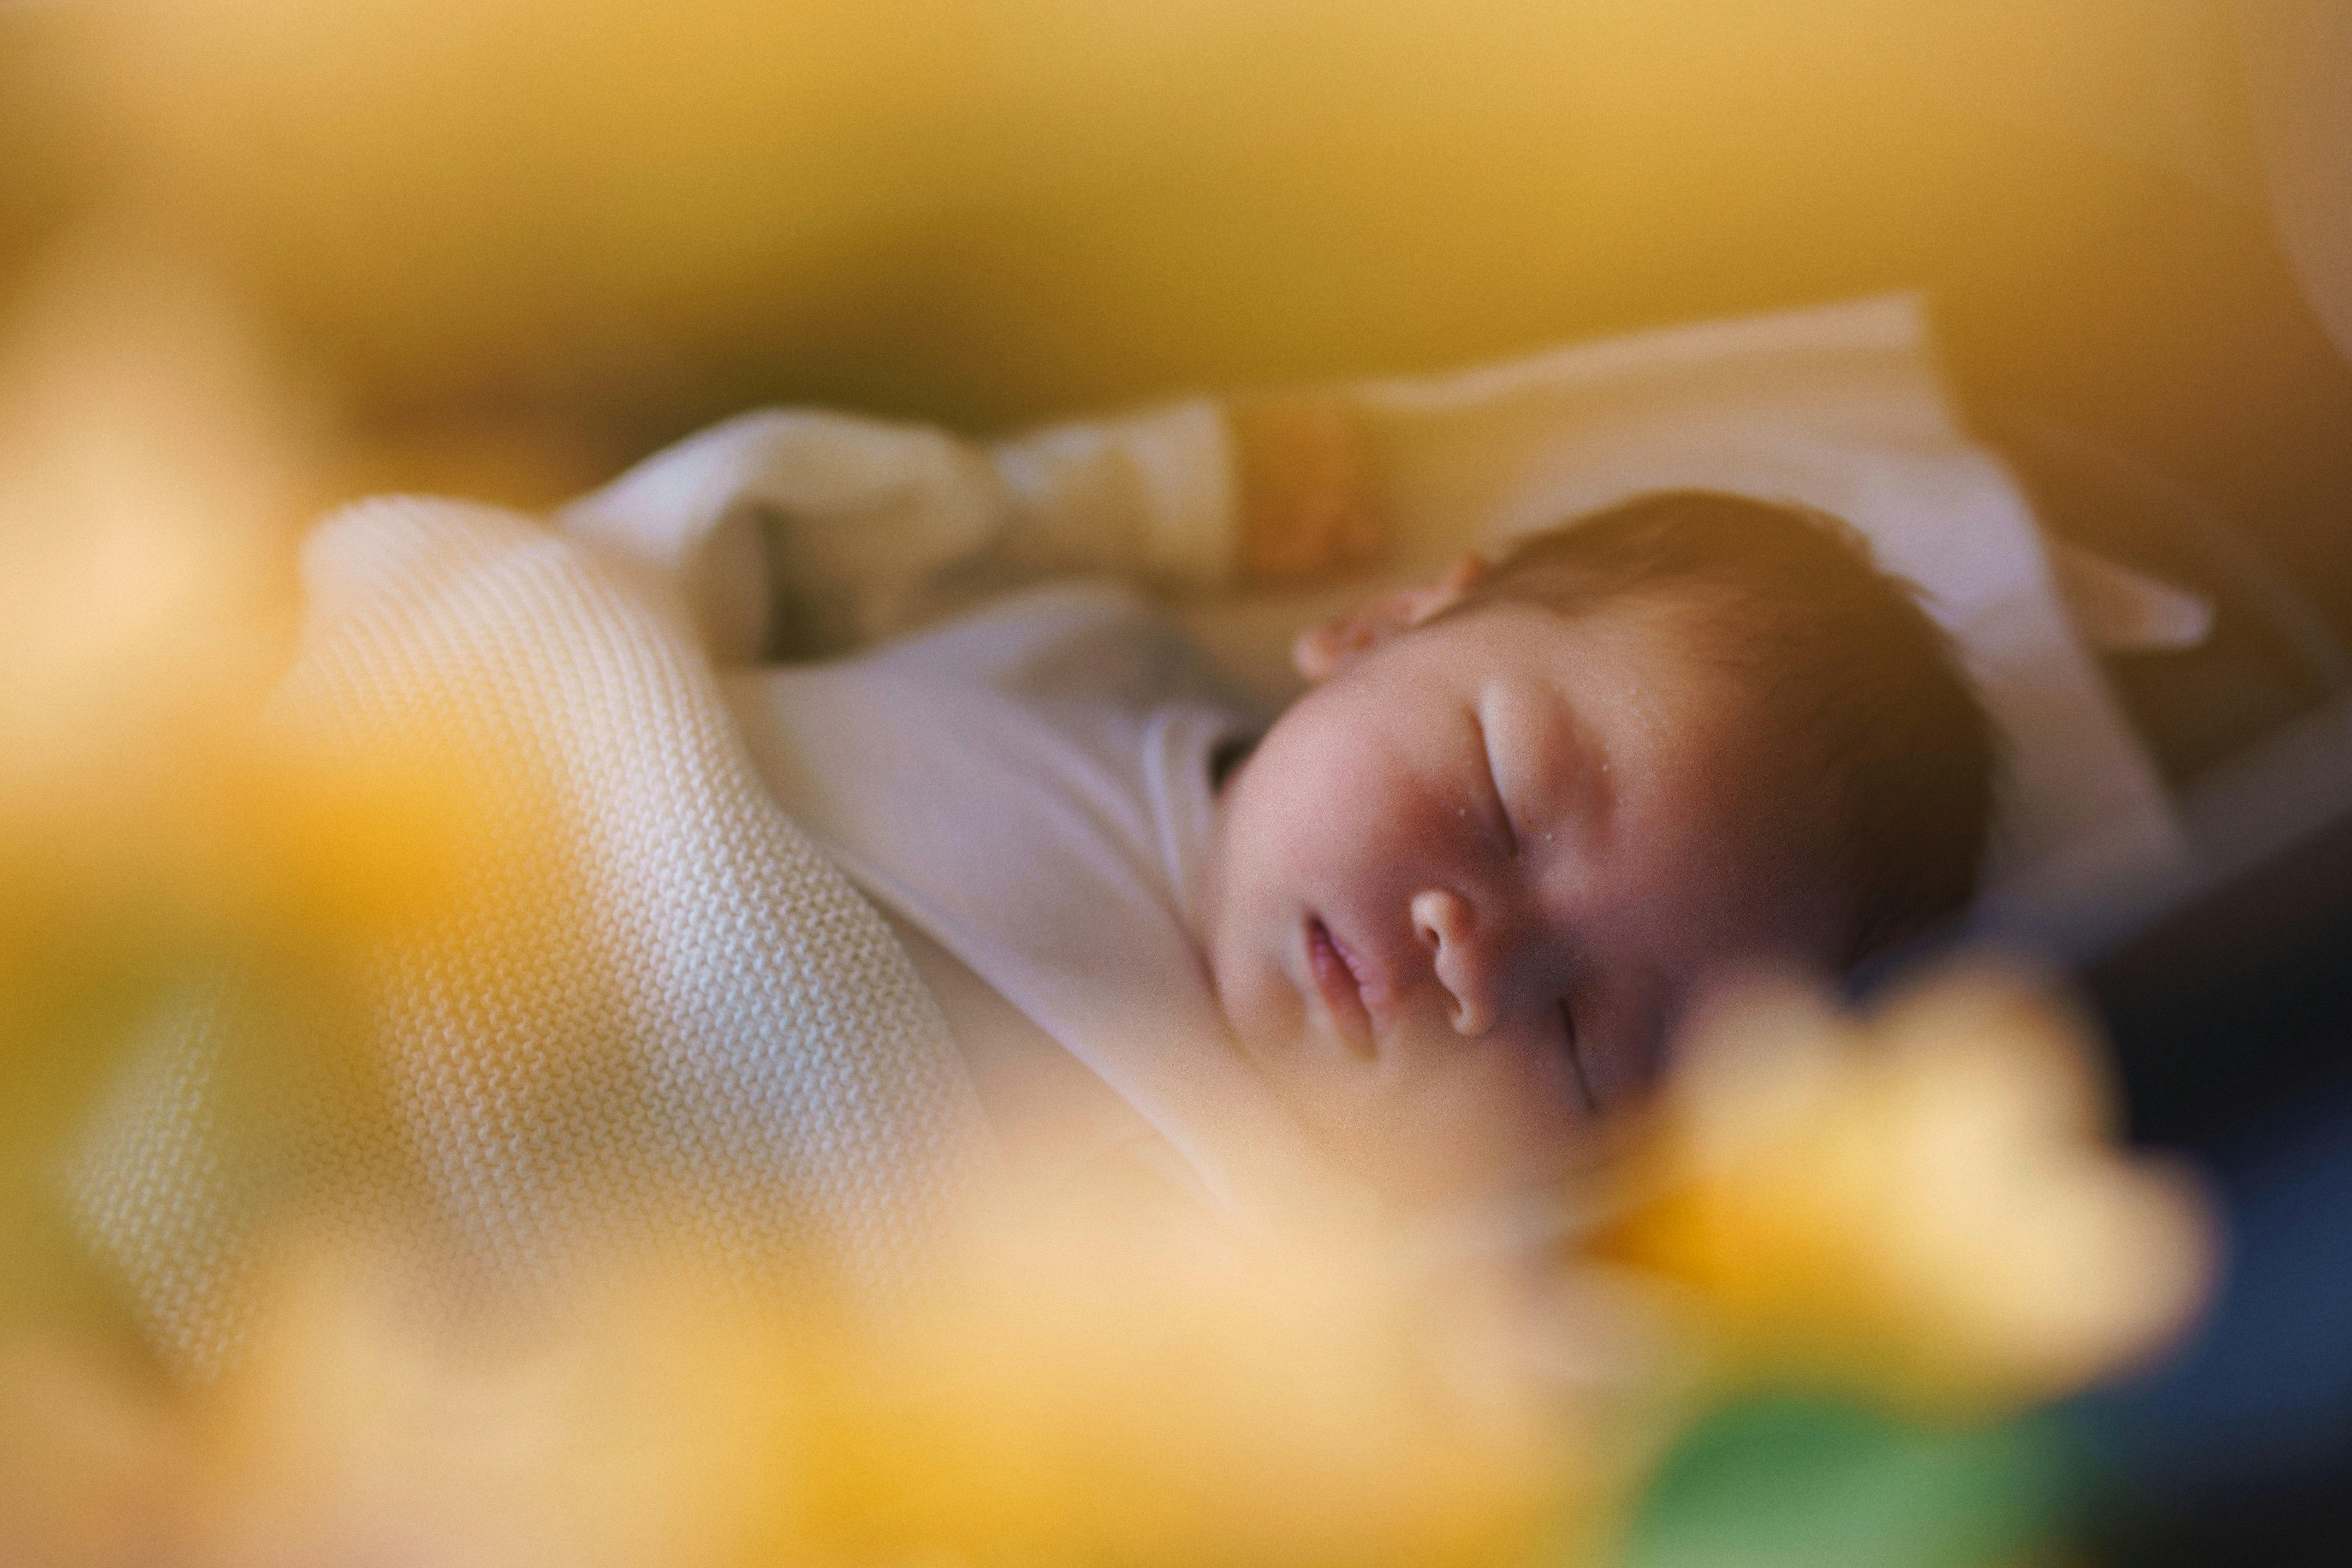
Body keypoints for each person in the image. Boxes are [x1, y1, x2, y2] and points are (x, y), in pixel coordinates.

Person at [562, 396, 1996, 1212]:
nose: (1472, 955)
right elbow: (813, 529)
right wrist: (1157, 497)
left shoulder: (1282, 1274)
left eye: (1575, 1039)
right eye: (1494, 802)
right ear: (1380, 627)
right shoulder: (1077, 646)